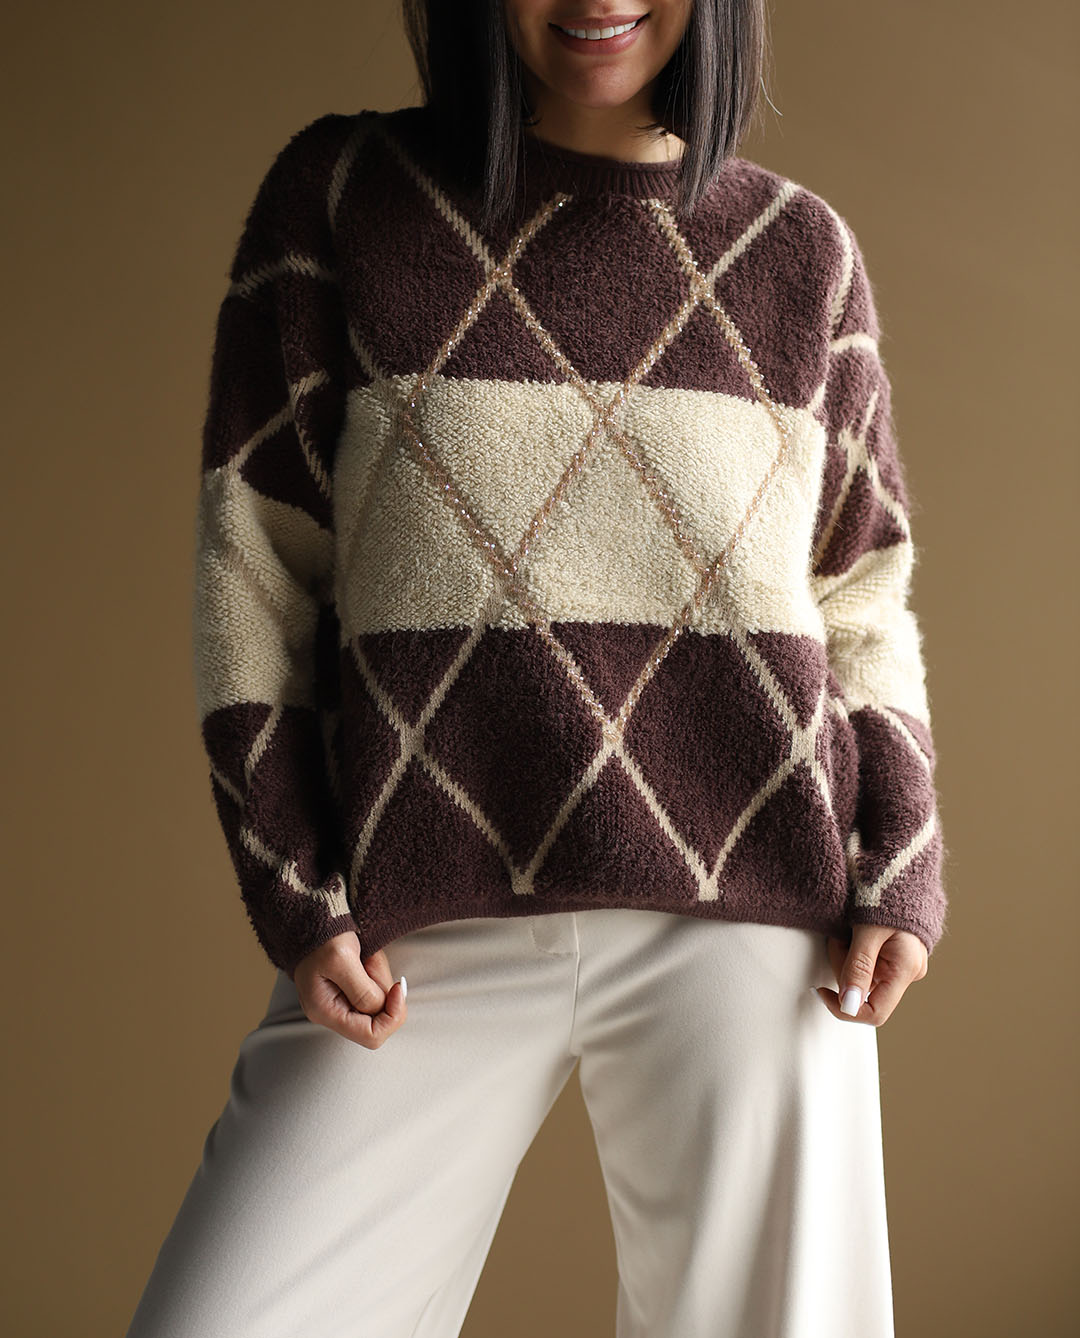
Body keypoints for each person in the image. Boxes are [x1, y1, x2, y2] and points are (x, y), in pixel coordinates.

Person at [125, 1, 949, 1334]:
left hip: (751, 904)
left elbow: (859, 594)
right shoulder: (344, 201)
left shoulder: (800, 253)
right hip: (419, 917)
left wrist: (899, 860)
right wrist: (293, 879)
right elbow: (256, 561)